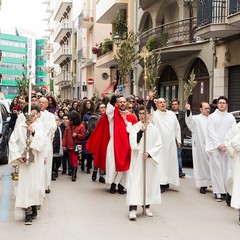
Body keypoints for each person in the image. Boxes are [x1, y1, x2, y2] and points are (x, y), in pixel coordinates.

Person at [87, 89, 138, 194]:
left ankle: (120, 185)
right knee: (114, 166)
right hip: (114, 144)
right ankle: (113, 184)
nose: (123, 103)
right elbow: (109, 109)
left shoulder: (131, 117)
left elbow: (135, 130)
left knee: (125, 166)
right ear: (117, 103)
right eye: (120, 102)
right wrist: (114, 97)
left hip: (127, 144)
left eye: (124, 102)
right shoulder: (113, 114)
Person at [8, 104, 47, 225]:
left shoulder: (39, 126)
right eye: (30, 114)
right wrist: (17, 156)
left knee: (35, 185)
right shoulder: (20, 127)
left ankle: (34, 205)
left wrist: (33, 132)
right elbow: (12, 142)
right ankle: (27, 212)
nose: (32, 117)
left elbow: (43, 142)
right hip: (25, 161)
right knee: (26, 186)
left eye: (35, 114)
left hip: (37, 160)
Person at [126, 106, 162, 220]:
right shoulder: (135, 127)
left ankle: (146, 207)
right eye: (140, 113)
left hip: (148, 161)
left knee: (148, 183)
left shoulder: (154, 129)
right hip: (137, 161)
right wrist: (141, 131)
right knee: (135, 183)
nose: (142, 115)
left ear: (149, 114)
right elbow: (133, 144)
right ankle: (132, 209)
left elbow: (159, 144)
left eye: (145, 113)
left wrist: (150, 153)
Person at [205, 96, 236, 202]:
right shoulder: (212, 117)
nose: (222, 104)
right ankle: (218, 192)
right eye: (220, 102)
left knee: (227, 171)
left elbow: (234, 131)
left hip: (227, 148)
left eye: (224, 103)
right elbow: (211, 132)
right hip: (215, 148)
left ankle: (225, 191)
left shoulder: (230, 117)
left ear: (226, 104)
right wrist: (218, 144)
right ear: (217, 104)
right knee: (216, 170)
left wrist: (227, 144)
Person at [151, 98, 181, 193]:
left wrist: (178, 139)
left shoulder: (171, 114)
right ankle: (161, 183)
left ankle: (167, 181)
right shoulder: (154, 114)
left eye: (164, 102)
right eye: (160, 102)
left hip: (171, 144)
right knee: (161, 163)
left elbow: (177, 127)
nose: (163, 104)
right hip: (159, 144)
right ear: (157, 105)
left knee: (170, 163)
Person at [185, 102, 212, 194]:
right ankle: (203, 185)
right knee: (202, 165)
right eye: (206, 108)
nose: (208, 110)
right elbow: (189, 121)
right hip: (200, 145)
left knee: (213, 165)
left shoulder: (212, 119)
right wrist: (188, 110)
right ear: (201, 109)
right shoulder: (196, 118)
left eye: (208, 108)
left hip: (211, 146)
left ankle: (213, 183)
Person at [38, 97, 57, 194]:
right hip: (37, 142)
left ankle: (46, 185)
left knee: (47, 164)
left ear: (46, 104)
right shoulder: (35, 114)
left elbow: (54, 127)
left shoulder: (50, 115)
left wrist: (47, 128)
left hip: (47, 142)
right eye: (39, 102)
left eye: (43, 102)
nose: (41, 104)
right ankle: (38, 185)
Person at [62, 111, 86, 181]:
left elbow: (83, 135)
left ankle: (74, 174)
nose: (69, 120)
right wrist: (63, 144)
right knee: (71, 160)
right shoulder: (68, 126)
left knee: (74, 160)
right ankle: (72, 172)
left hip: (76, 145)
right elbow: (65, 136)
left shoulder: (81, 126)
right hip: (69, 145)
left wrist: (77, 135)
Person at [170, 99, 191, 178]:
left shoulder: (182, 114)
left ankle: (180, 171)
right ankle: (171, 171)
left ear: (178, 105)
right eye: (173, 104)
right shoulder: (168, 114)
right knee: (170, 155)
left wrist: (183, 135)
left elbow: (186, 125)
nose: (174, 105)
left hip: (179, 138)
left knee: (178, 155)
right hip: (170, 137)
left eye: (176, 104)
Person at [225, 121, 240, 224]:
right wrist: (233, 152)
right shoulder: (236, 128)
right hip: (234, 159)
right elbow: (233, 143)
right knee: (232, 179)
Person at [88, 102, 106, 183]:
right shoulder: (94, 117)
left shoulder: (108, 117)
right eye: (101, 107)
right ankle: (95, 171)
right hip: (97, 140)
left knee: (103, 157)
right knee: (97, 157)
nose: (103, 109)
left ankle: (101, 175)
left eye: (104, 107)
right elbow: (90, 129)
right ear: (98, 108)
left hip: (105, 140)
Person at [52, 115, 64, 181]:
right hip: (53, 147)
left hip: (59, 148)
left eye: (57, 120)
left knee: (58, 161)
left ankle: (56, 169)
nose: (57, 121)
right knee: (53, 162)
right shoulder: (51, 129)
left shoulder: (60, 129)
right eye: (55, 120)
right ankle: (53, 173)